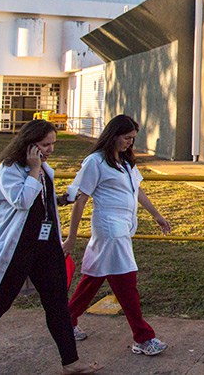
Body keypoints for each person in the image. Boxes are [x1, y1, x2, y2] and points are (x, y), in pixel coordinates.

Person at [0, 120, 101, 375]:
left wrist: (61, 199)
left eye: (53, 144)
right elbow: (21, 201)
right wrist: (33, 169)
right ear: (29, 145)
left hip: (46, 247)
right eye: (45, 145)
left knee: (57, 304)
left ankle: (71, 361)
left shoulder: (43, 168)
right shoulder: (10, 169)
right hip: (18, 250)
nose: (50, 149)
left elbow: (39, 201)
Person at [62, 114, 171, 356]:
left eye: (133, 139)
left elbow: (137, 190)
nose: (130, 143)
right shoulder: (95, 162)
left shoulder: (126, 162)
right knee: (126, 281)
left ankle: (66, 320)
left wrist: (156, 215)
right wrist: (71, 237)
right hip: (110, 229)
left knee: (94, 277)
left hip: (122, 227)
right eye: (126, 138)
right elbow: (80, 200)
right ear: (113, 136)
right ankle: (143, 337)